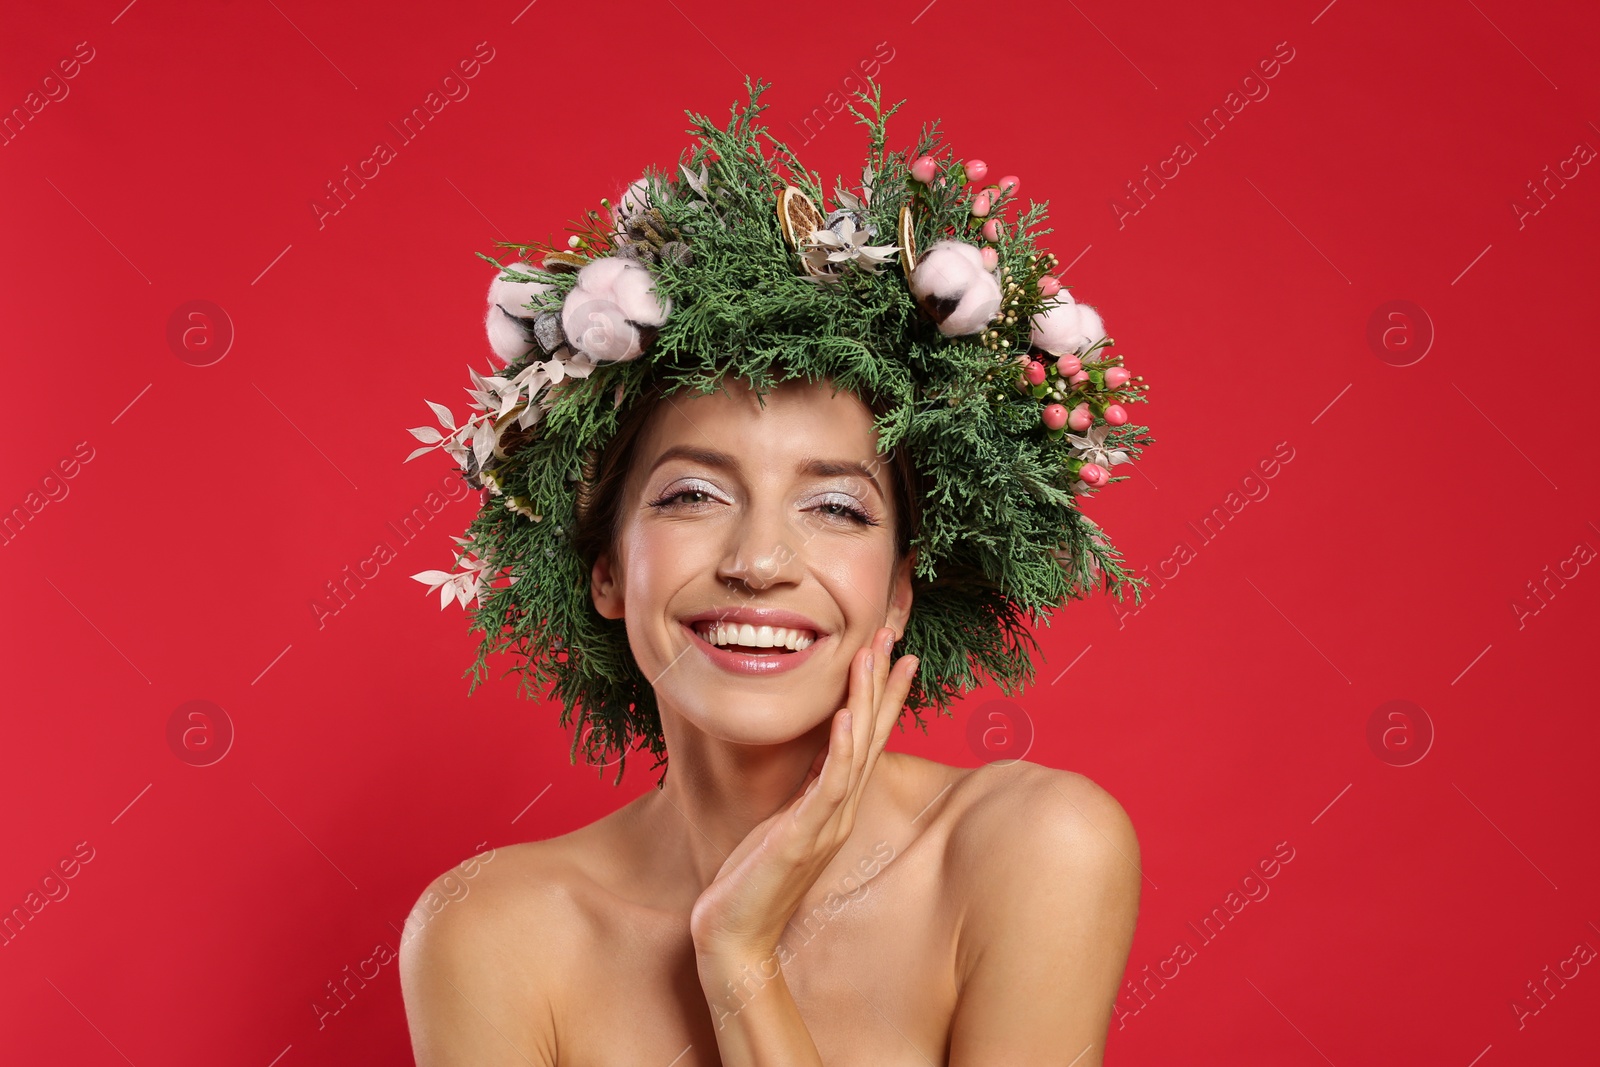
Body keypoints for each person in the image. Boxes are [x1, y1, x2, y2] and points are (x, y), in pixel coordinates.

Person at [397, 77, 1152, 1065]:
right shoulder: (489, 932)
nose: (757, 562)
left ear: (899, 585)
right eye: (690, 496)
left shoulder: (1032, 851)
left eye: (836, 506)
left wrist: (736, 953)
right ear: (607, 569)